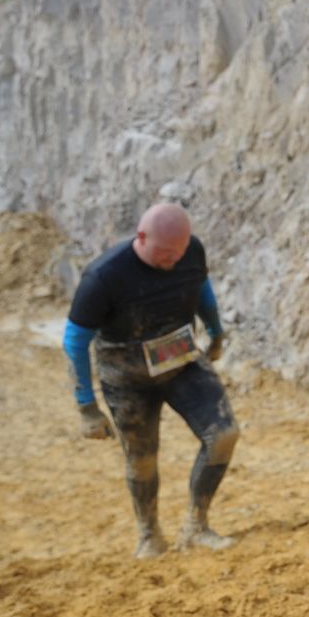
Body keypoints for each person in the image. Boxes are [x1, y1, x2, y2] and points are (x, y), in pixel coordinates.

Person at [63, 202, 239, 559]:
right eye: (164, 253)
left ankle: (197, 526)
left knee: (223, 435)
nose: (174, 260)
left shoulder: (189, 252)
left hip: (180, 361)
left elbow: (200, 287)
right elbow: (75, 339)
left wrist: (216, 331)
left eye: (180, 251)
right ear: (140, 237)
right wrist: (87, 406)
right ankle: (149, 535)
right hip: (126, 376)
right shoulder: (104, 277)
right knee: (142, 459)